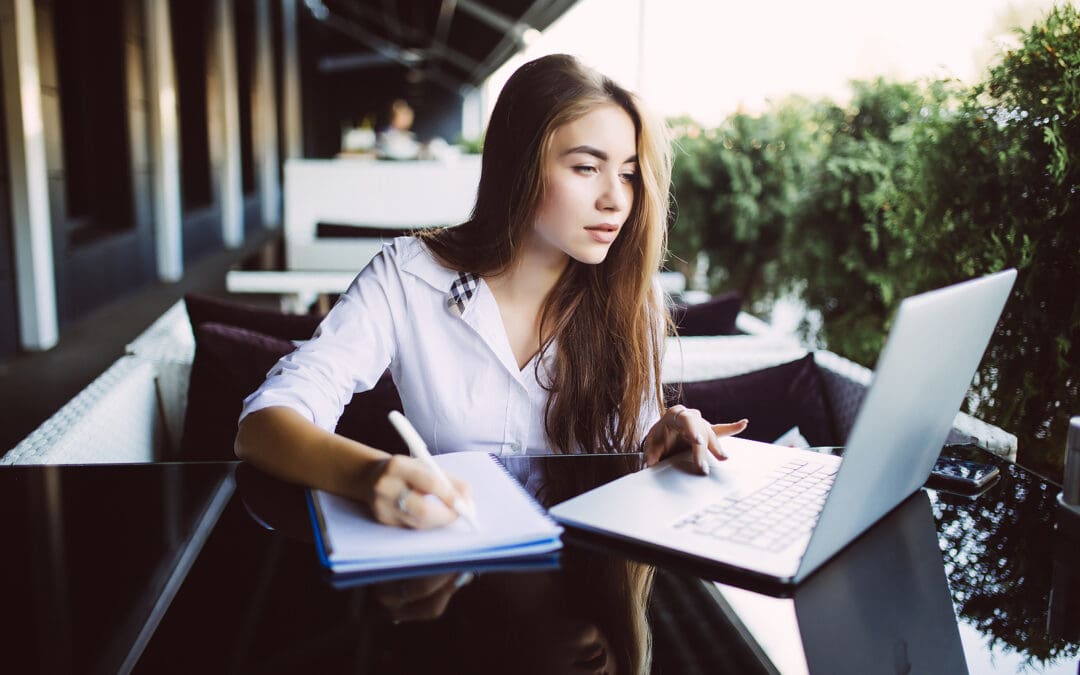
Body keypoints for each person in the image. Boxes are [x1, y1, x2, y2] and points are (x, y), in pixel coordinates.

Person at [234, 54, 748, 529]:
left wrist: (664, 431)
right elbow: (265, 423)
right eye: (587, 168)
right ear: (519, 166)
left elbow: (628, 457)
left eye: (631, 175)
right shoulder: (408, 276)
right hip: (452, 571)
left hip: (586, 582)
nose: (617, 199)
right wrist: (370, 475)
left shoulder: (634, 299)